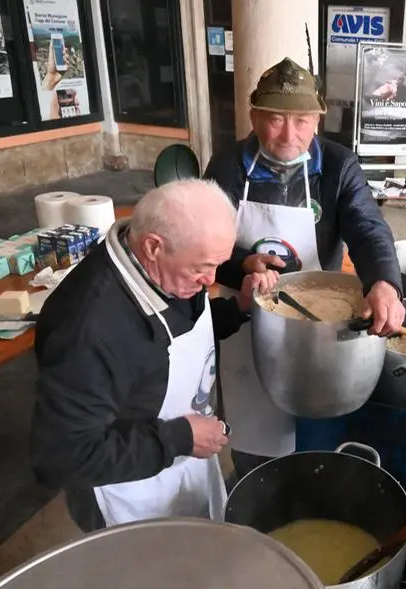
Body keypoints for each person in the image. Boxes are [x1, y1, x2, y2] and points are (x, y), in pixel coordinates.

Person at [204, 57, 405, 482]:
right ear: (255, 116)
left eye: (301, 121)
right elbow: (200, 246)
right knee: (254, 437)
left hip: (319, 329)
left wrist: (385, 283)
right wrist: (239, 265)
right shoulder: (226, 168)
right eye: (275, 120)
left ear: (318, 120)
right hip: (247, 323)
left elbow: (368, 230)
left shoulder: (337, 167)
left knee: (317, 439)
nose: (288, 135)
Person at [31, 179, 268, 532]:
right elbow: (62, 457)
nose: (211, 280)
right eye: (201, 268)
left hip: (182, 463)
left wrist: (237, 309)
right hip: (128, 495)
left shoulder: (167, 269)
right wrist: (180, 439)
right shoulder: (88, 329)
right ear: (154, 247)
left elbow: (173, 339)